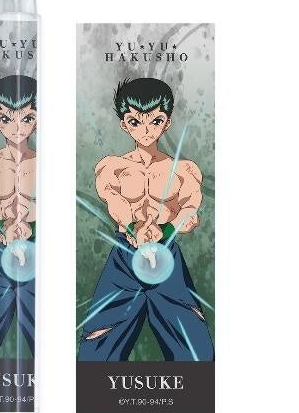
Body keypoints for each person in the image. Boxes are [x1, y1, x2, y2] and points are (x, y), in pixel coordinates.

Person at [77, 77, 214, 361]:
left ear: (167, 123)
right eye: (135, 121)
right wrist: (133, 226)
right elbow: (114, 202)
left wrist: (167, 229)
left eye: (155, 121)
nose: (146, 130)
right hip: (125, 254)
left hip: (167, 253)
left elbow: (190, 211)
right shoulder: (113, 167)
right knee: (98, 342)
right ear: (123, 124)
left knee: (194, 346)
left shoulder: (183, 170)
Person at [0, 75, 37, 357]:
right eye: (7, 119)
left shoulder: (43, 163)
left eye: (27, 118)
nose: (18, 127)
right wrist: (1, 225)